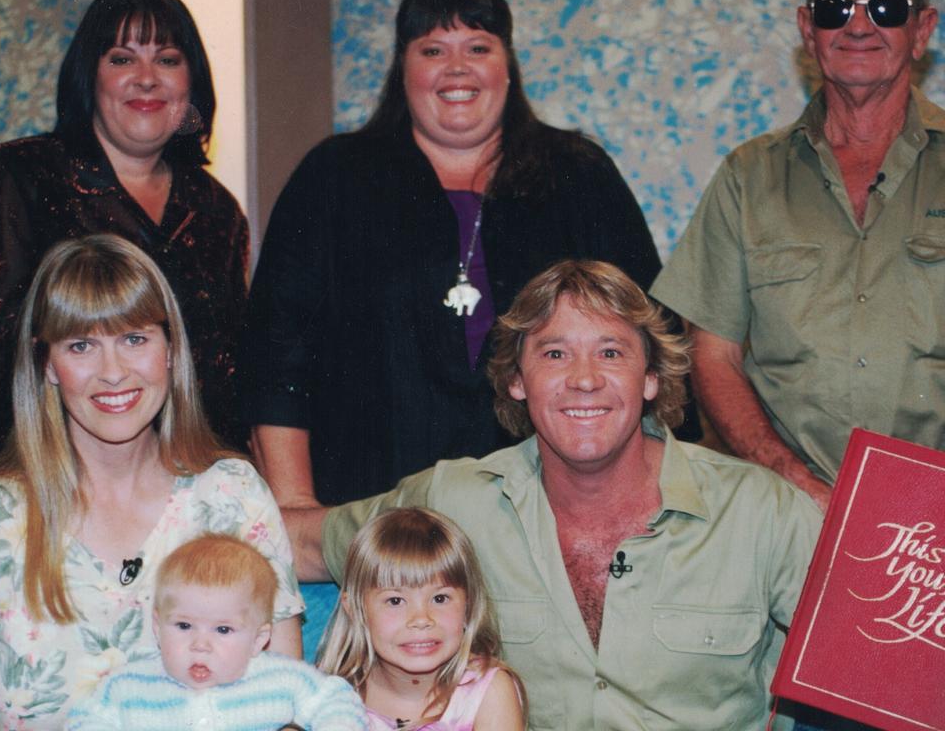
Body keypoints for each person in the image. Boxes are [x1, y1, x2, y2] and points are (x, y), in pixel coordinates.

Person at [285, 260, 824, 731]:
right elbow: (302, 542)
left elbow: (877, 669)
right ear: (518, 380)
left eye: (610, 352)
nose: (584, 379)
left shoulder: (762, 513)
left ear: (651, 378)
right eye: (555, 354)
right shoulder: (453, 501)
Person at [238, 0, 678, 509]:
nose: (457, 68)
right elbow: (277, 359)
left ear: (507, 65)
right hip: (366, 513)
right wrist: (298, 517)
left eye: (478, 46)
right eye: (432, 49)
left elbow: (653, 346)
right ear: (402, 68)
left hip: (549, 516)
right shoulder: (332, 178)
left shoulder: (579, 175)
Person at [0, 235, 303, 730]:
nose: (113, 373)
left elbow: (288, 705)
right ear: (47, 366)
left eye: (134, 339)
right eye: (81, 345)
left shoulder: (234, 496)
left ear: (169, 350)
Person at [0, 0, 250, 507]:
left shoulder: (218, 212)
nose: (146, 78)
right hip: (34, 490)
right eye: (122, 58)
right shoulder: (15, 177)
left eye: (167, 59)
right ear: (88, 77)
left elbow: (225, 385)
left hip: (175, 496)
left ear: (192, 83)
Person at [650, 0, 943, 511]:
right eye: (836, 9)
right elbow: (714, 355)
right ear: (808, 31)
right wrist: (791, 480)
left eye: (885, 6)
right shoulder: (747, 176)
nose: (859, 26)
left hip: (937, 524)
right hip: (780, 512)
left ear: (922, 30)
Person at [67, 533, 365, 731]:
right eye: (184, 626)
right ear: (158, 627)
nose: (200, 644)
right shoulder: (129, 686)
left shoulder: (280, 679)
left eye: (223, 629)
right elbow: (86, 720)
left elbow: (335, 699)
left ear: (258, 640)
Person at [316, 508, 525, 730]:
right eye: (395, 601)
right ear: (356, 611)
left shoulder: (488, 691)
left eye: (440, 598)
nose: (421, 619)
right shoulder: (332, 695)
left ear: (469, 605)